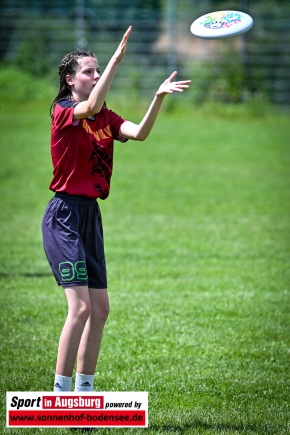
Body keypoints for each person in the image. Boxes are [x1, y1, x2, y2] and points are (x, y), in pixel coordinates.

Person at [42, 26, 191, 393]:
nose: (94, 76)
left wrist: (156, 97)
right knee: (79, 309)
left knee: (101, 309)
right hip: (63, 217)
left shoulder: (106, 118)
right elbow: (89, 106)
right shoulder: (65, 112)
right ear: (70, 79)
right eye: (88, 71)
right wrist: (115, 61)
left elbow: (139, 133)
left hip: (90, 215)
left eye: (98, 71)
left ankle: (84, 392)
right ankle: (61, 394)